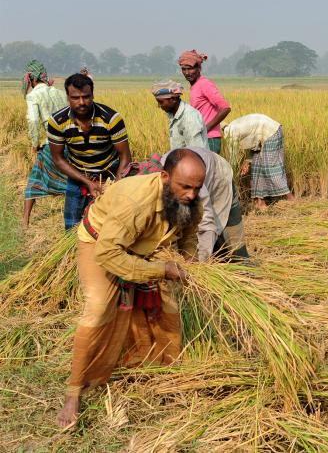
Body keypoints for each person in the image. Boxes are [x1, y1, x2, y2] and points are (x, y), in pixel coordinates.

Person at [57, 149, 205, 429]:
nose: (192, 194)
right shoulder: (135, 202)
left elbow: (189, 235)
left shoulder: (192, 200)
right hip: (101, 244)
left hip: (146, 248)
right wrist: (160, 270)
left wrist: (188, 263)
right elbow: (109, 254)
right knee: (99, 308)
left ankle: (157, 366)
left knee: (168, 308)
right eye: (185, 186)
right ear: (164, 177)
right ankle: (74, 392)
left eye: (197, 188)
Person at [47, 73, 131, 229]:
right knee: (72, 227)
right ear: (67, 97)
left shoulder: (111, 119)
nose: (81, 102)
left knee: (109, 225)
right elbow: (58, 159)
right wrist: (87, 182)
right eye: (75, 98)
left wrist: (116, 187)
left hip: (109, 174)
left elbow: (125, 156)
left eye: (86, 97)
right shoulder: (57, 121)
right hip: (78, 174)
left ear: (93, 94)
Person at [161, 147, 249, 261]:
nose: (191, 195)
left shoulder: (190, 185)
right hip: (200, 172)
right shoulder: (159, 184)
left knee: (234, 242)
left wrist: (199, 265)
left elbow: (206, 224)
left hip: (219, 176)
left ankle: (244, 269)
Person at [21, 59, 68, 227]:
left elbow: (33, 121)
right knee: (73, 179)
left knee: (34, 180)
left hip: (51, 143)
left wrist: (35, 144)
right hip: (70, 142)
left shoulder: (33, 95)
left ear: (32, 79)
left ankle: (25, 222)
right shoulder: (58, 92)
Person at [223, 113, 294, 211]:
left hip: (271, 133)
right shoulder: (231, 127)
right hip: (262, 137)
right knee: (256, 168)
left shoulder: (231, 134)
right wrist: (247, 161)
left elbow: (233, 161)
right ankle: (260, 202)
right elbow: (254, 140)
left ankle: (291, 199)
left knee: (270, 168)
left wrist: (233, 174)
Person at [178, 50, 231, 154]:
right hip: (200, 139)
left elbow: (225, 108)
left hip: (210, 140)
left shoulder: (204, 84)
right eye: (184, 69)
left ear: (199, 68)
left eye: (190, 69)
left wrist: (205, 129)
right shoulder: (194, 86)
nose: (187, 73)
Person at [151, 80, 208, 149]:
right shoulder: (173, 115)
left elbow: (197, 152)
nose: (159, 106)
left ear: (173, 99)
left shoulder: (189, 117)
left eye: (161, 102)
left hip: (193, 159)